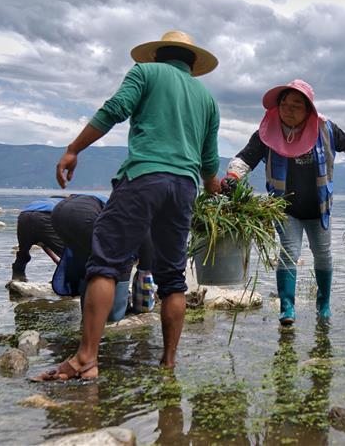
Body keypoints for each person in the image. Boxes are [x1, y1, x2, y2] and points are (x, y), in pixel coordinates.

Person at [33, 30, 221, 382]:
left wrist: (74, 149)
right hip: (184, 187)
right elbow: (209, 161)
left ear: (157, 56)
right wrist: (214, 188)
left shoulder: (145, 73)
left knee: (105, 264)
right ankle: (168, 364)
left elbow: (115, 110)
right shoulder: (207, 99)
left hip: (144, 177)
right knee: (173, 279)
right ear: (192, 64)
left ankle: (86, 359)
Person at [221, 79, 345, 326]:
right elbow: (245, 159)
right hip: (285, 207)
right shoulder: (267, 133)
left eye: (296, 105)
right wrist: (232, 177)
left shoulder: (325, 128)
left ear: (308, 110)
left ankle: (323, 305)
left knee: (323, 255)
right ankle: (287, 307)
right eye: (284, 104)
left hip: (318, 207)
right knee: (289, 252)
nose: (288, 109)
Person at [50, 193, 154, 322]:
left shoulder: (132, 210)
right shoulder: (146, 228)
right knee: (122, 263)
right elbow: (144, 271)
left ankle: (89, 314)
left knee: (90, 264)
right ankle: (114, 316)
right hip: (85, 215)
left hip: (57, 215)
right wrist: (141, 307)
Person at [12, 196, 66, 281]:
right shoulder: (67, 204)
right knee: (66, 253)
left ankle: (18, 278)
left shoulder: (43, 201)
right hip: (45, 216)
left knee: (23, 253)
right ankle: (75, 282)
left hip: (23, 217)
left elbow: (43, 241)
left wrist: (56, 260)